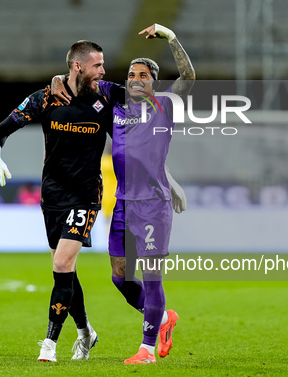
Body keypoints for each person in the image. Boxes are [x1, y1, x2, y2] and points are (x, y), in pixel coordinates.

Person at [51, 23, 193, 364]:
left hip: (152, 204)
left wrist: (171, 37)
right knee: (119, 276)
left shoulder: (165, 106)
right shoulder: (116, 102)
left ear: (153, 81)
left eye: (143, 74)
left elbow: (189, 76)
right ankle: (162, 318)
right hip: (123, 204)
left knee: (150, 275)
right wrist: (56, 80)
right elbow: (81, 76)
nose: (135, 78)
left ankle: (146, 350)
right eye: (131, 73)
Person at [0, 40, 113, 363]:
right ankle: (85, 333)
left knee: (61, 264)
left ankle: (49, 343)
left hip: (86, 194)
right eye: (97, 65)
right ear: (78, 66)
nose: (103, 71)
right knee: (65, 270)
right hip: (52, 195)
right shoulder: (45, 98)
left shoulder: (107, 99)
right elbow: (3, 129)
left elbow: (133, 131)